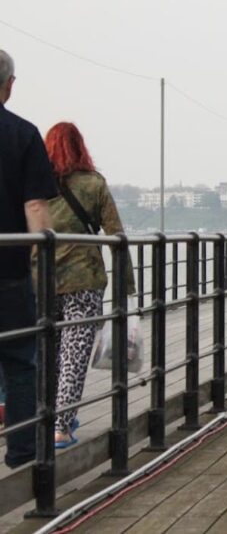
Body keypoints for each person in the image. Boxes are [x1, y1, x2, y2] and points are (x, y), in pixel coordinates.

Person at [43, 122, 135, 448]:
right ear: (81, 146)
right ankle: (61, 427)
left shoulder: (36, 184)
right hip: (85, 280)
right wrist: (128, 288)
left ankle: (50, 417)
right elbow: (116, 235)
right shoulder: (94, 184)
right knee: (74, 355)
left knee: (49, 352)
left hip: (41, 280)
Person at [0, 49, 57, 468]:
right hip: (10, 269)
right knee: (21, 360)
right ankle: (22, 454)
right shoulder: (22, 133)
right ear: (9, 84)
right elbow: (36, 206)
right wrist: (41, 254)